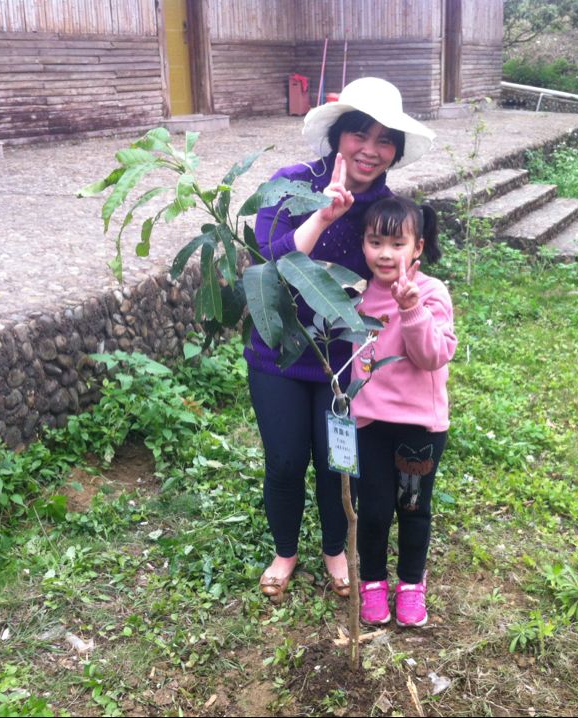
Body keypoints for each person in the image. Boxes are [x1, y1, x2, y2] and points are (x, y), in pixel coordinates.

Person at [247, 77, 436, 601]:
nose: (371, 150)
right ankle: (285, 552)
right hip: (279, 354)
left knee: (337, 465)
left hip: (345, 363)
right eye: (360, 134)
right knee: (286, 460)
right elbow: (268, 263)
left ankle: (334, 549)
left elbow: (403, 272)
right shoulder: (289, 185)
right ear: (337, 136)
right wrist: (323, 215)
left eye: (385, 139)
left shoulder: (386, 211)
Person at [349, 196, 457, 627]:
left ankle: (411, 583)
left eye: (397, 244)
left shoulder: (430, 293)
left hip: (419, 428)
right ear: (363, 243)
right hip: (370, 424)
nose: (385, 254)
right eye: (375, 242)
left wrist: (410, 309)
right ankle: (373, 582)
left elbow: (433, 356)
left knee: (412, 508)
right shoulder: (355, 295)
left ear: (418, 247)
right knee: (374, 510)